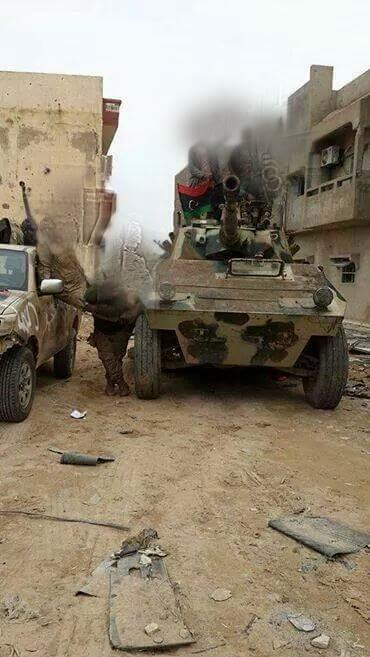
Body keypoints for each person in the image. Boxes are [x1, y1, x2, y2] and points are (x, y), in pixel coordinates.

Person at [85, 281, 143, 396]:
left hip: (121, 330)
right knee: (108, 359)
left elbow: (132, 310)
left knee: (116, 358)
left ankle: (110, 383)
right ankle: (121, 384)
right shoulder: (94, 293)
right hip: (102, 331)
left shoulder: (128, 298)